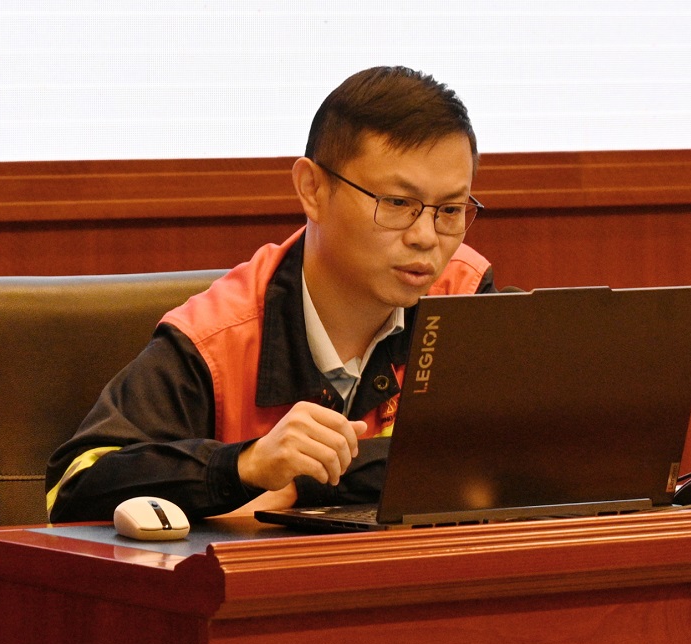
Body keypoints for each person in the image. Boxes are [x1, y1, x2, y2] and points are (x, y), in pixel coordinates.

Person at [46, 65, 497, 522]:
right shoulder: (216, 339)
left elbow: (507, 450)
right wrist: (244, 466)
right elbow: (73, 488)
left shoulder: (464, 296)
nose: (426, 237)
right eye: (398, 203)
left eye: (449, 210)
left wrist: (302, 484)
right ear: (312, 189)